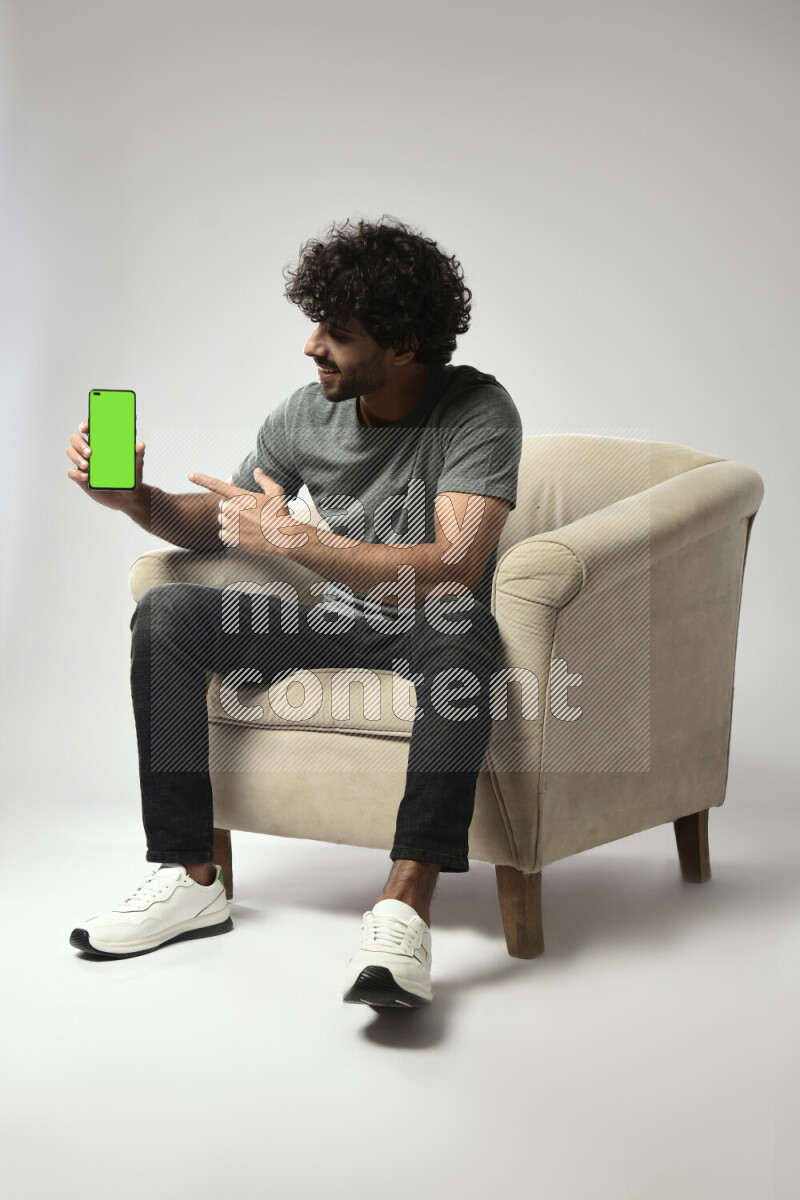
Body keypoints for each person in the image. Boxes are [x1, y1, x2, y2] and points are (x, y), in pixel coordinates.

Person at [65, 215, 523, 1009]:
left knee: (463, 627)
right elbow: (223, 520)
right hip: (334, 618)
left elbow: (454, 566)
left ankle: (403, 906)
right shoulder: (303, 414)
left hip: (429, 621)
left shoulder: (478, 412)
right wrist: (136, 500)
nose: (312, 345)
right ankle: (187, 875)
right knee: (170, 613)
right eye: (316, 325)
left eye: (337, 333)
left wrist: (297, 541)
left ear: (405, 345)